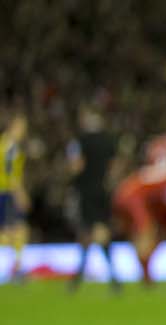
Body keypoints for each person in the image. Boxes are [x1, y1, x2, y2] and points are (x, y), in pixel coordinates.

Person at [111, 117, 166, 288]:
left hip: (134, 191)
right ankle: (153, 276)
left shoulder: (156, 144)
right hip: (136, 196)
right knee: (149, 232)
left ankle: (148, 275)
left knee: (157, 232)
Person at [66, 105, 122, 292]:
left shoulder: (80, 141)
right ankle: (84, 276)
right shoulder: (109, 140)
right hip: (102, 190)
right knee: (96, 231)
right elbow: (115, 166)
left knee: (90, 230)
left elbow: (77, 166)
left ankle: (107, 277)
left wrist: (72, 178)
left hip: (86, 190)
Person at [1, 115, 30, 283]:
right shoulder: (11, 147)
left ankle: (17, 268)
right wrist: (20, 194)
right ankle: (18, 269)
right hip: (8, 192)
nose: (23, 131)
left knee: (10, 232)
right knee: (18, 231)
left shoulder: (3, 143)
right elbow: (11, 173)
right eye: (21, 127)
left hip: (3, 191)